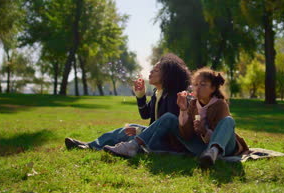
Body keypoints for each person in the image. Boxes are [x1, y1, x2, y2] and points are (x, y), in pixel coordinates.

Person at [104, 68, 249, 168]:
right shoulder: (192, 104)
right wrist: (183, 111)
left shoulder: (220, 105)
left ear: (213, 88)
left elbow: (221, 133)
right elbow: (186, 135)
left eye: (203, 85)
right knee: (169, 117)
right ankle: (131, 146)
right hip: (201, 149)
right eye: (195, 84)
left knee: (228, 121)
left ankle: (213, 152)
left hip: (225, 148)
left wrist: (204, 131)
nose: (197, 88)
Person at [64, 53, 191, 150]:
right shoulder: (157, 93)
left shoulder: (174, 96)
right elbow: (145, 115)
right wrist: (140, 95)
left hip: (168, 142)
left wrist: (141, 132)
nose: (151, 72)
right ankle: (90, 145)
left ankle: (99, 146)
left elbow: (167, 127)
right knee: (125, 129)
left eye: (156, 70)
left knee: (133, 130)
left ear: (168, 76)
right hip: (155, 136)